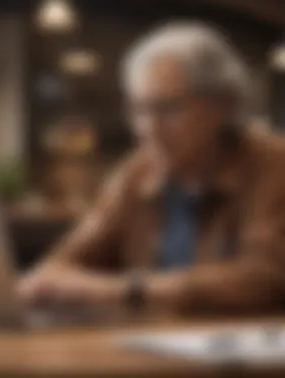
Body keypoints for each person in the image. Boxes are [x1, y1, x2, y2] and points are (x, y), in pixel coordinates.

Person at [18, 22, 285, 314]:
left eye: (168, 108)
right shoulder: (137, 172)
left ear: (222, 106)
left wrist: (127, 290)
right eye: (139, 109)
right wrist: (48, 281)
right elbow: (66, 261)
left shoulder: (273, 165)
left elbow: (265, 277)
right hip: (149, 348)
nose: (149, 128)